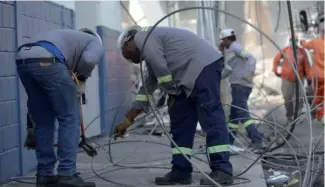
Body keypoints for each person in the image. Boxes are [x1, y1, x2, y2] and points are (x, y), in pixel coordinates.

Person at [114, 26, 233, 185]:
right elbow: (146, 90)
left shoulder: (143, 37)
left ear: (128, 42)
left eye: (125, 53)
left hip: (203, 67)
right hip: (188, 76)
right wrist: (127, 122)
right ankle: (181, 171)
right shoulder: (151, 51)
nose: (128, 58)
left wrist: (171, 92)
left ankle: (223, 170)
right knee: (180, 122)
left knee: (211, 117)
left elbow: (161, 67)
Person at [15, 28, 104, 187]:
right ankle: (67, 174)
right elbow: (90, 60)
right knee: (70, 117)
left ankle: (45, 175)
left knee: (43, 121)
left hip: (23, 58)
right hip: (48, 60)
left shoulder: (66, 38)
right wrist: (82, 78)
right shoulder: (95, 42)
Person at [219, 28, 266, 149]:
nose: (221, 43)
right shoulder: (229, 51)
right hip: (236, 85)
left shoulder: (236, 47)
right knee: (234, 116)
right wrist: (217, 77)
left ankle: (257, 139)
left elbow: (251, 58)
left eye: (222, 40)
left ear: (225, 39)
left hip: (241, 85)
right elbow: (229, 69)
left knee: (243, 114)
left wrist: (250, 73)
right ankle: (229, 141)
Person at [273, 36, 312, 123]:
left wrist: (309, 77)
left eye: (295, 40)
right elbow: (276, 60)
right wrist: (276, 70)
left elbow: (307, 65)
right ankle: (289, 115)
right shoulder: (285, 50)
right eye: (292, 40)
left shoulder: (302, 52)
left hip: (299, 79)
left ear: (297, 41)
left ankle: (297, 115)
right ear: (289, 41)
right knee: (287, 97)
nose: (293, 42)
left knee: (299, 97)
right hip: (287, 78)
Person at [300, 31, 324, 126]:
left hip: (318, 76)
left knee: (318, 98)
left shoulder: (316, 42)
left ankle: (320, 117)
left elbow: (304, 45)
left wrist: (302, 41)